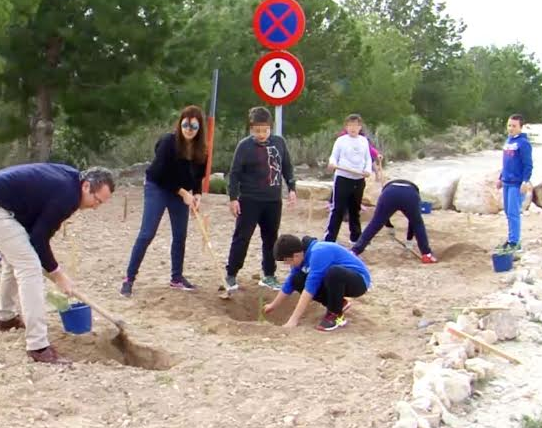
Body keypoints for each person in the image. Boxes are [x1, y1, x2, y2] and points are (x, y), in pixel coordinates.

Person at [0, 164, 115, 365]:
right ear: (86, 186)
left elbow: (39, 230)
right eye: (96, 200)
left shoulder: (72, 182)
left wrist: (53, 268)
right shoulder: (67, 196)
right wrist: (58, 274)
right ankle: (38, 346)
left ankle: (5, 318)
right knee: (29, 267)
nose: (95, 206)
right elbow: (39, 239)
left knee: (15, 260)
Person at [120, 105, 208, 297]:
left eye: (193, 126)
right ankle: (129, 279)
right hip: (157, 187)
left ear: (199, 128)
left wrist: (197, 194)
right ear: (180, 124)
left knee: (180, 234)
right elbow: (160, 174)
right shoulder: (168, 142)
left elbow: (198, 176)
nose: (188, 130)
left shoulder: (201, 150)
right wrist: (183, 192)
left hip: (180, 192)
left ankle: (176, 278)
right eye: (185, 125)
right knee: (147, 233)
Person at [224, 106, 297, 291]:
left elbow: (287, 166)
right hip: (249, 199)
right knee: (242, 237)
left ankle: (269, 275)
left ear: (270, 128)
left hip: (273, 200)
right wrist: (233, 198)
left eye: (265, 130)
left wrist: (292, 188)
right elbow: (234, 174)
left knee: (271, 238)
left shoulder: (279, 143)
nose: (262, 134)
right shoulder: (244, 146)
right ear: (251, 129)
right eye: (257, 131)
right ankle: (231, 274)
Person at [264, 234, 371, 331]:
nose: (288, 265)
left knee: (334, 272)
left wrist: (293, 320)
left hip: (359, 281)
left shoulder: (318, 252)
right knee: (297, 279)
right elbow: (289, 283)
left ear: (296, 255)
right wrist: (273, 305)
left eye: (287, 261)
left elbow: (310, 288)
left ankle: (334, 314)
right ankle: (339, 303)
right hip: (336, 281)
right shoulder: (302, 256)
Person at [351, 179, 438, 264]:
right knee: (418, 223)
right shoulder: (414, 191)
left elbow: (384, 217)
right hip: (410, 195)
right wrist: (409, 240)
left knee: (375, 223)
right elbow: (413, 223)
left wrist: (389, 227)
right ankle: (426, 254)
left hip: (389, 194)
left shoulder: (386, 190)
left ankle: (355, 251)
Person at [325, 113, 373, 244]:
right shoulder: (341, 140)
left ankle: (356, 238)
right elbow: (333, 156)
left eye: (356, 125)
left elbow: (367, 158)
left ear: (360, 127)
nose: (353, 128)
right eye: (350, 125)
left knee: (355, 209)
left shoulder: (363, 141)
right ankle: (330, 239)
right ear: (346, 127)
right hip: (343, 178)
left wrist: (367, 170)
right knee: (338, 209)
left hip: (358, 180)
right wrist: (332, 163)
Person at [495, 113, 533, 251]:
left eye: (514, 126)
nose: (510, 128)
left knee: (513, 213)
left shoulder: (523, 144)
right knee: (508, 212)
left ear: (521, 127)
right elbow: (506, 163)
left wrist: (525, 181)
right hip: (507, 181)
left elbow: (528, 164)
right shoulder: (509, 141)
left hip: (517, 183)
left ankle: (515, 243)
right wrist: (500, 177)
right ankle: (511, 239)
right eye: (509, 125)